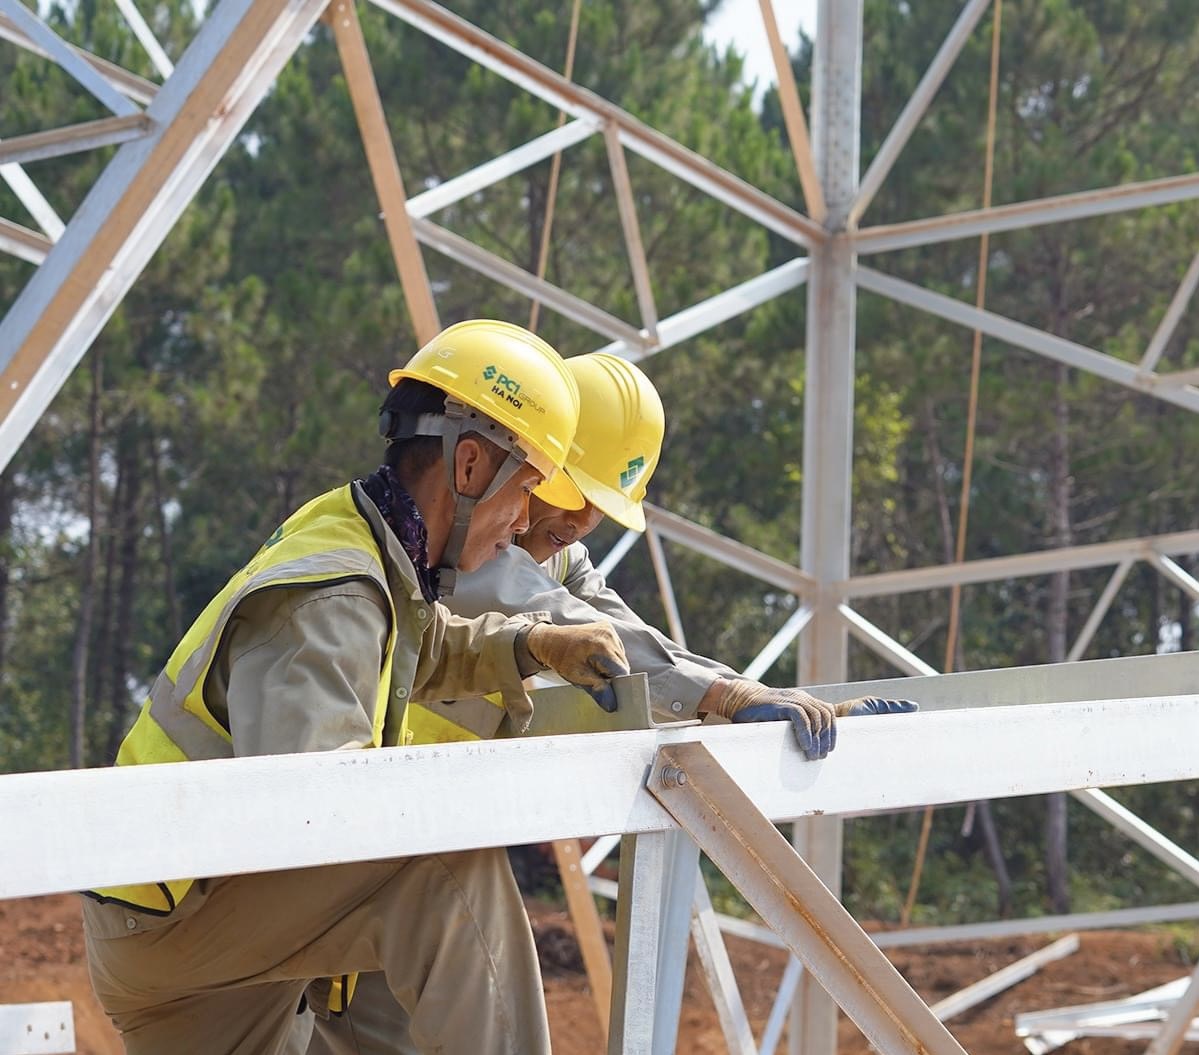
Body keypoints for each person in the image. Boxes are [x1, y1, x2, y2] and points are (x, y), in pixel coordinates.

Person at [306, 352, 915, 1055]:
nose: (584, 518)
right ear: (521, 462)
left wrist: (754, 697)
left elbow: (638, 642)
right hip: (372, 847)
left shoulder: (552, 549)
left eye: (600, 502)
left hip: (426, 846)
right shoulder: (459, 558)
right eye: (571, 489)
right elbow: (559, 618)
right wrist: (725, 696)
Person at [80, 320, 633, 1055]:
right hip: (175, 925)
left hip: (192, 916)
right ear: (468, 467)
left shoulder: (367, 544)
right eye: (526, 486)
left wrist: (529, 643)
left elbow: (416, 647)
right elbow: (317, 817)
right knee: (442, 865)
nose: (526, 518)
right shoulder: (333, 597)